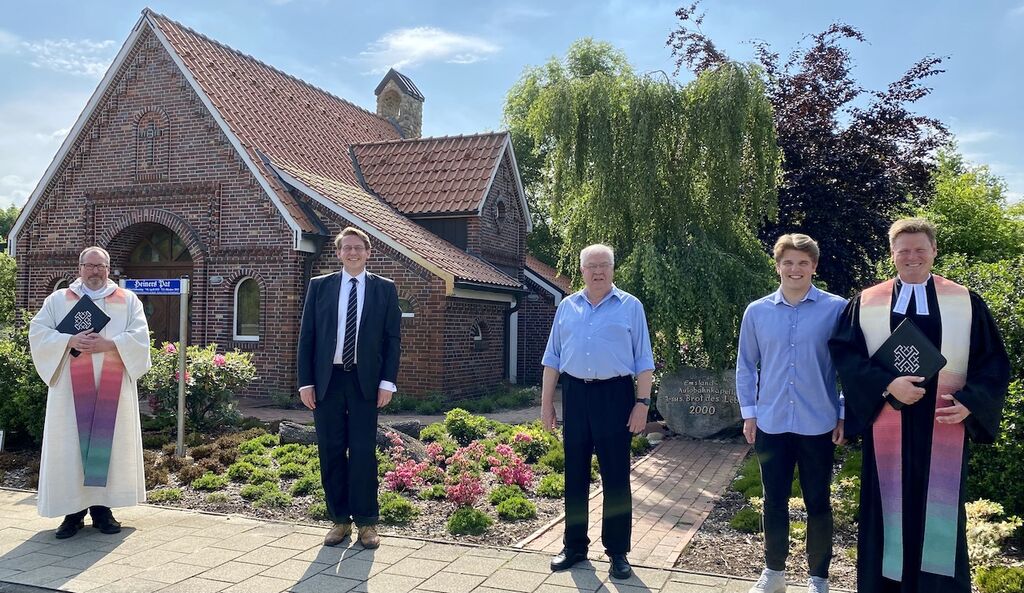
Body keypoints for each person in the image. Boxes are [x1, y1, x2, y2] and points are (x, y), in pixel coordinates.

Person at [828, 218, 1009, 593]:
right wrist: (886, 384)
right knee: (886, 511)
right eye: (903, 250)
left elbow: (992, 362)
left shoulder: (964, 301)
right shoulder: (866, 302)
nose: (912, 257)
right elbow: (846, 355)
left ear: (934, 251)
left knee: (937, 513)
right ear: (892, 254)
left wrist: (970, 404)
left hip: (942, 423)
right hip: (888, 421)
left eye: (920, 250)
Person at [736, 234, 847, 593]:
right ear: (778, 265)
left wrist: (843, 412)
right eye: (788, 262)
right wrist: (749, 414)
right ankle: (774, 574)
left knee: (818, 501)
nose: (795, 269)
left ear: (814, 266)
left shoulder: (837, 309)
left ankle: (819, 578)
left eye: (803, 262)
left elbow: (851, 366)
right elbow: (745, 366)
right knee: (774, 500)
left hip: (819, 423)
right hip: (771, 423)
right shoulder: (757, 312)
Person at [540, 243, 654, 580]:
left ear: (613, 269)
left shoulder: (631, 306)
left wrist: (642, 404)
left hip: (615, 396)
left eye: (604, 265)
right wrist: (547, 404)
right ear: (582, 271)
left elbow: (644, 362)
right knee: (574, 474)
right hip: (575, 395)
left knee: (616, 477)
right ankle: (574, 546)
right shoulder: (567, 307)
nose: (598, 271)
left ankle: (618, 552)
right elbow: (552, 360)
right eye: (591, 266)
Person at [28, 246, 152, 539]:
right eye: (89, 265)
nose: (95, 271)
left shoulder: (127, 300)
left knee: (108, 446)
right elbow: (39, 332)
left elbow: (140, 336)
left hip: (112, 386)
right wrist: (71, 339)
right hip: (70, 391)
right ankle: (72, 514)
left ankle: (102, 510)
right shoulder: (59, 300)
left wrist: (109, 345)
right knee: (71, 445)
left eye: (100, 266)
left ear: (108, 269)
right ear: (80, 267)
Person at [297, 226, 401, 549]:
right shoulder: (319, 287)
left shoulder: (385, 289)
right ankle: (339, 520)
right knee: (329, 450)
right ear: (339, 253)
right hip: (328, 380)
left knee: (362, 452)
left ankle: (367, 523)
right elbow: (307, 337)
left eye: (359, 248)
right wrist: (305, 382)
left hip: (364, 382)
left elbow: (392, 340)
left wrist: (387, 382)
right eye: (347, 248)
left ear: (368, 252)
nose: (353, 253)